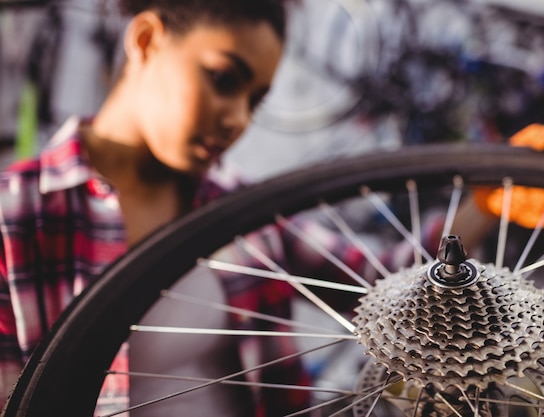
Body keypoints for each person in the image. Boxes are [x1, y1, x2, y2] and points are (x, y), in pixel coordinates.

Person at [0, 0, 317, 415]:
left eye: (254, 101)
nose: (237, 119)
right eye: (223, 79)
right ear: (147, 40)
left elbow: (379, 264)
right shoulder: (16, 217)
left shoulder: (237, 201)